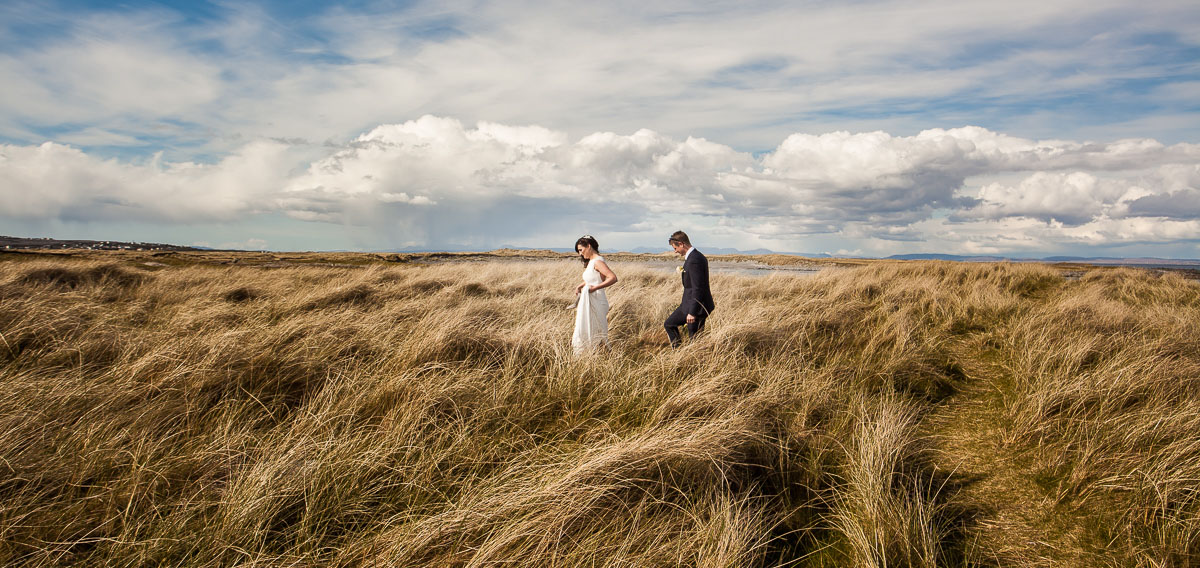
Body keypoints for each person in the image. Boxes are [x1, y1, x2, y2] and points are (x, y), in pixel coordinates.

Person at [664, 230, 714, 347]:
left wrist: (692, 312)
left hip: (696, 308)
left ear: (681, 244)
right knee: (669, 324)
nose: (675, 251)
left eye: (675, 248)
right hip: (689, 304)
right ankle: (679, 352)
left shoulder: (695, 260)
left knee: (695, 341)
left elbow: (698, 288)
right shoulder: (694, 256)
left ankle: (685, 357)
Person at [572, 235, 618, 354]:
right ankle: (593, 356)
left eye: (581, 250)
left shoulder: (598, 261)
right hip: (591, 300)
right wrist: (581, 286)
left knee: (597, 332)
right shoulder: (592, 262)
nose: (580, 254)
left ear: (589, 246)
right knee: (591, 331)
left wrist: (595, 288)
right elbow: (593, 279)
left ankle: (605, 356)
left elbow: (612, 278)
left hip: (597, 300)